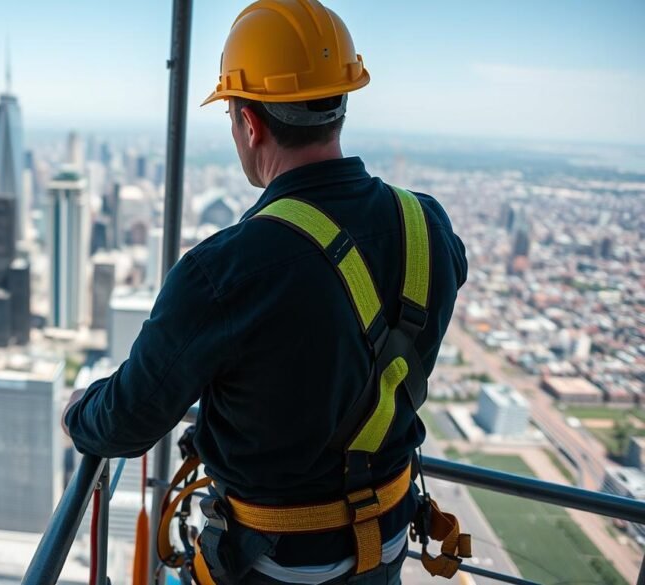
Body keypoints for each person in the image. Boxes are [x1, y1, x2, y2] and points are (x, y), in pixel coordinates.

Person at [62, 1, 468, 583]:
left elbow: (129, 418)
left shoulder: (224, 271)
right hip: (385, 548)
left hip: (269, 565)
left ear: (250, 123)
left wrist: (78, 412)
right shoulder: (427, 226)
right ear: (341, 102)